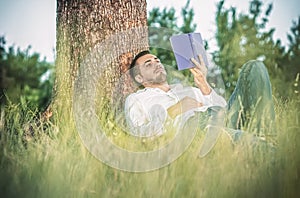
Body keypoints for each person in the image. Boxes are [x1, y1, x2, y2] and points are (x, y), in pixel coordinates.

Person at [124, 50, 275, 140]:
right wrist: (174, 110)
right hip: (194, 129)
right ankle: (261, 146)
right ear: (139, 78)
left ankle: (267, 136)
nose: (156, 64)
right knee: (248, 142)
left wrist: (204, 84)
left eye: (157, 61)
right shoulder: (137, 99)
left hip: (219, 117)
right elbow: (138, 134)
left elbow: (224, 108)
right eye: (148, 64)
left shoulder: (187, 89)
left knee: (254, 67)